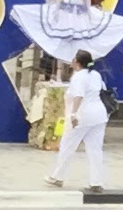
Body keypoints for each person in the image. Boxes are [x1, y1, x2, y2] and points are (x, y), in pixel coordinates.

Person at [45, 50, 110, 193]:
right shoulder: (96, 74)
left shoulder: (79, 77)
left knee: (68, 146)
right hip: (99, 115)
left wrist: (74, 114)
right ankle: (96, 182)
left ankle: (57, 177)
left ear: (77, 62)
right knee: (95, 150)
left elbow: (79, 96)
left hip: (82, 115)